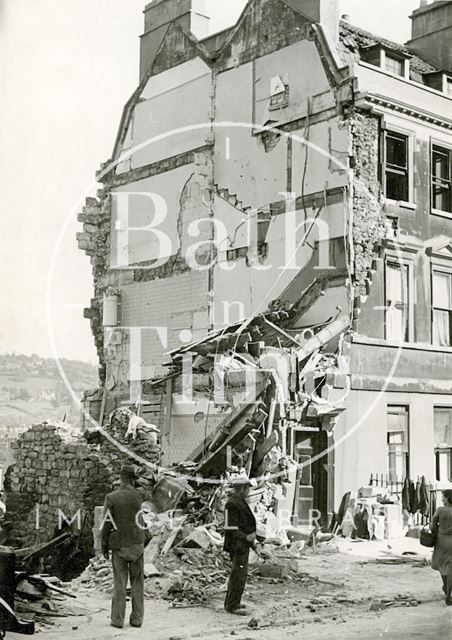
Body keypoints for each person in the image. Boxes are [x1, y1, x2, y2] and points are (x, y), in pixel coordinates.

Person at [101, 464, 150, 629]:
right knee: (138, 583)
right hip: (137, 544)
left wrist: (103, 546)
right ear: (133, 479)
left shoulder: (111, 497)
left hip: (120, 545)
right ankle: (137, 619)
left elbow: (106, 524)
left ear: (121, 478)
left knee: (120, 583)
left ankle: (117, 620)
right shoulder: (140, 496)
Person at [223, 477, 256, 616]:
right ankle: (233, 605)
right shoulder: (232, 504)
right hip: (238, 545)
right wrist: (245, 537)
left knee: (238, 574)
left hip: (242, 544)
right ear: (242, 488)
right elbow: (230, 526)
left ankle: (231, 602)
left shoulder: (239, 501)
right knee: (238, 575)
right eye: (247, 488)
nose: (249, 491)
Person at [431, 489, 452, 605]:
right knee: (451, 567)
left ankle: (446, 588)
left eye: (443, 497)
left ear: (448, 498)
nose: (442, 499)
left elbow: (432, 526)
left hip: (441, 541)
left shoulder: (439, 510)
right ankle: (449, 595)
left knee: (442, 565)